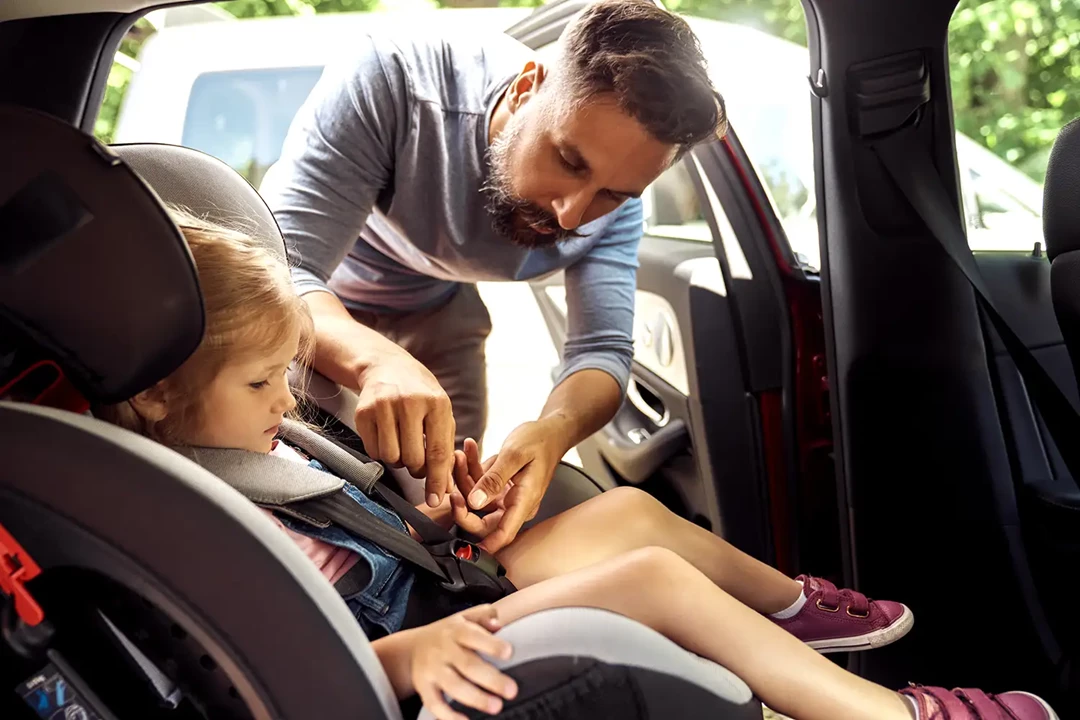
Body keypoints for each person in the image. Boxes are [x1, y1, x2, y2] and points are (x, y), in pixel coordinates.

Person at [96, 209, 1058, 720]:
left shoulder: (238, 450)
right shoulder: (171, 523)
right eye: (266, 383)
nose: (288, 403)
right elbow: (250, 669)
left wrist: (439, 518)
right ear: (152, 395)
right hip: (403, 647)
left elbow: (360, 547)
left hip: (430, 593)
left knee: (626, 517)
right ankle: (884, 719)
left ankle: (794, 614)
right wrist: (409, 653)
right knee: (644, 578)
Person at [260, 0, 729, 551]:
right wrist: (375, 359)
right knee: (303, 492)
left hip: (438, 303)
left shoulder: (619, 207)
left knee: (446, 516)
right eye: (570, 162)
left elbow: (601, 351)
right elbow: (281, 272)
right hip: (320, 294)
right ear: (525, 87)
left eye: (611, 195)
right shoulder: (396, 80)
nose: (572, 216)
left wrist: (553, 432)